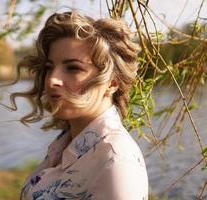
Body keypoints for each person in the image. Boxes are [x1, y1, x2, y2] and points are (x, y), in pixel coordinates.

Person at [10, 10, 148, 200]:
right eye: (50, 68)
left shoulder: (116, 161)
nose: (52, 80)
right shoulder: (65, 143)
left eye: (73, 68)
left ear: (112, 83)